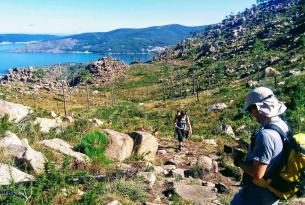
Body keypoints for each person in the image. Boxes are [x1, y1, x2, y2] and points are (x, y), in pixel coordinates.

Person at [230, 87, 289, 205]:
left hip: (258, 193)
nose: (250, 114)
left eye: (249, 110)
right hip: (272, 189)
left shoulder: (266, 135)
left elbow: (257, 173)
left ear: (256, 108)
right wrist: (248, 146)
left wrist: (237, 160)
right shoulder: (281, 125)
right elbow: (273, 153)